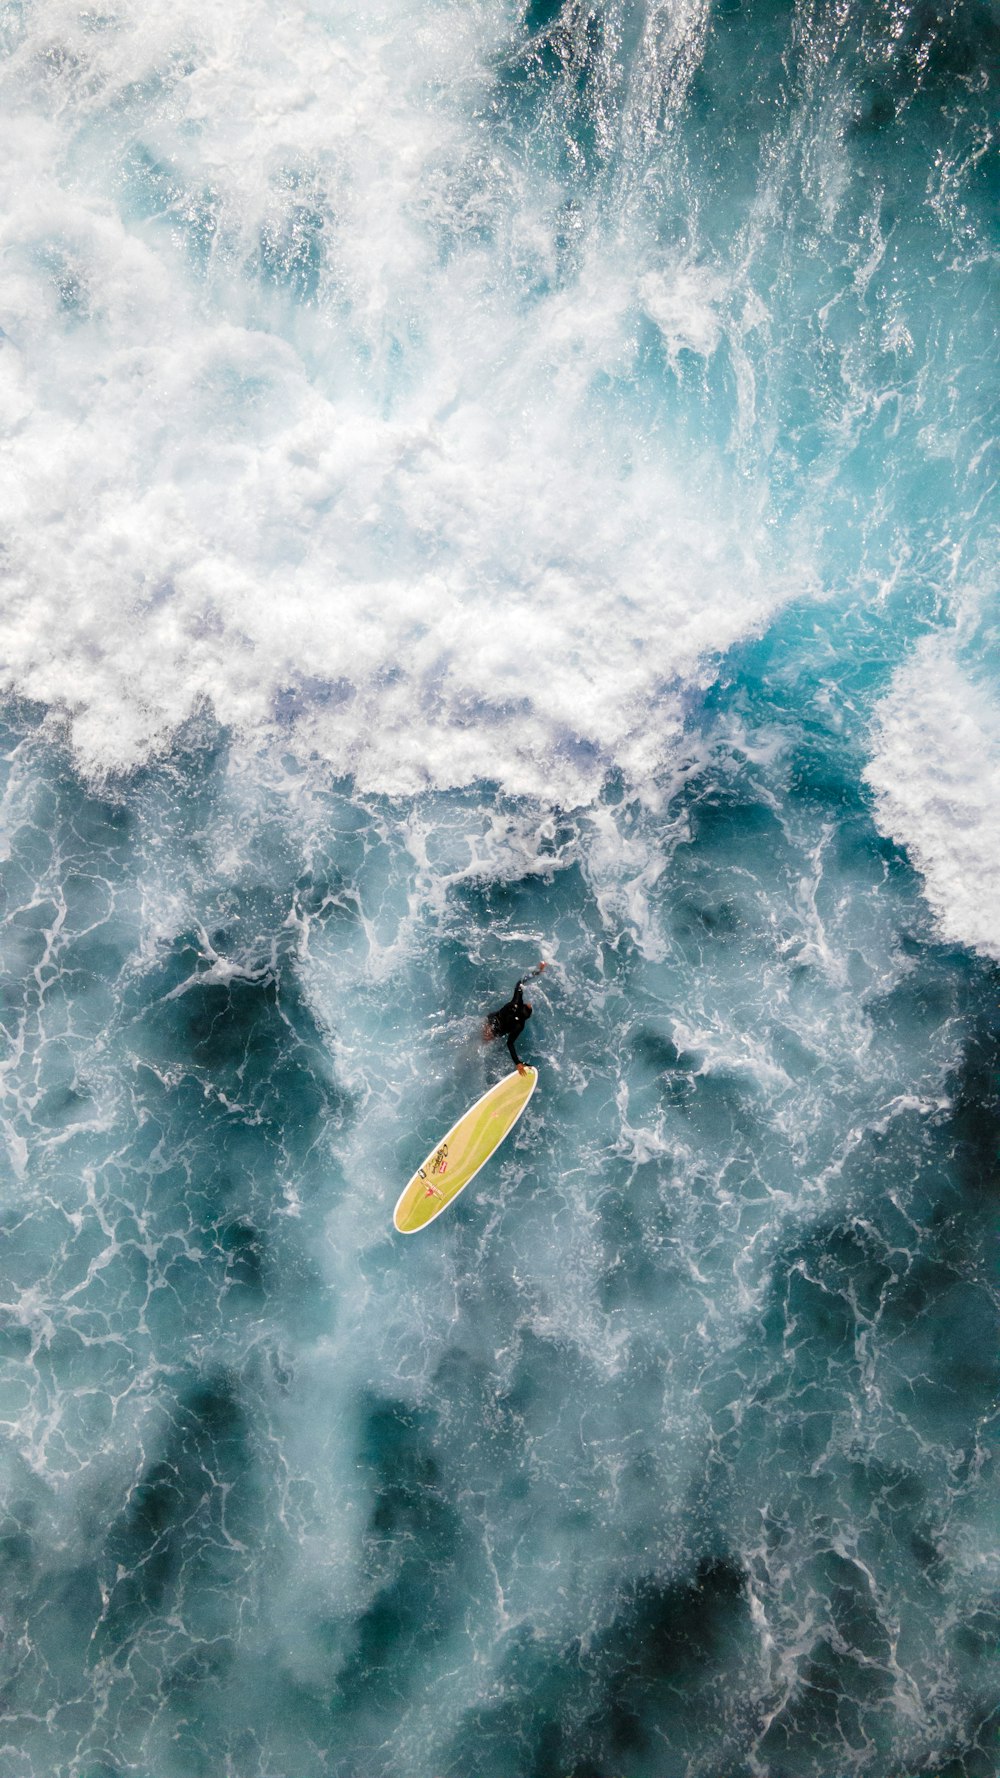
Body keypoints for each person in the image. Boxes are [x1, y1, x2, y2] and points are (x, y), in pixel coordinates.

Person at [483, 962, 547, 1074]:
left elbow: (520, 983)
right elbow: (510, 1043)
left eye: (528, 1006)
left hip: (491, 1022)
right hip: (496, 1031)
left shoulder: (516, 1002)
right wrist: (517, 1062)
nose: (529, 1004)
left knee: (483, 1040)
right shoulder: (519, 1026)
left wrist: (537, 972)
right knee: (485, 1042)